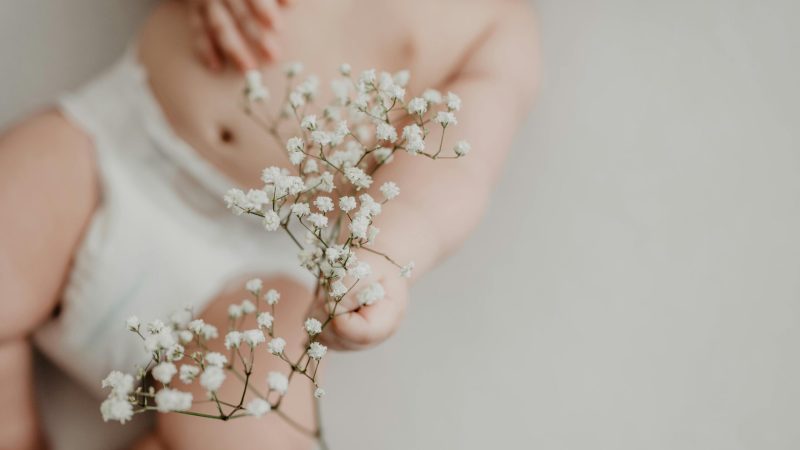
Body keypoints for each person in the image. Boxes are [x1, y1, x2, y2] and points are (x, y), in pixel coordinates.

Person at [0, 0, 538, 448]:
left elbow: (455, 171)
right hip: (119, 147)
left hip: (262, 269)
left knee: (259, 423)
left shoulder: (495, 27)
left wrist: (383, 257)